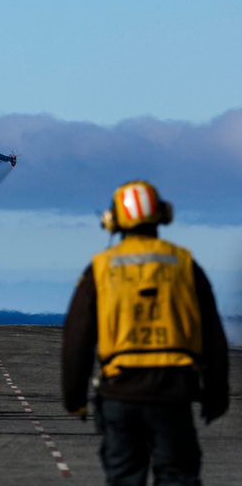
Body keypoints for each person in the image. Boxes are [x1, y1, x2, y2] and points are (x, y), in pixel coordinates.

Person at [62, 180, 230, 485]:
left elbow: (77, 339)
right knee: (178, 476)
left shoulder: (101, 268)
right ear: (164, 214)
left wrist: (75, 398)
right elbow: (213, 336)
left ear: (111, 221)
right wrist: (216, 395)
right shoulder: (185, 264)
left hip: (120, 392)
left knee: (124, 477)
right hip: (174, 394)